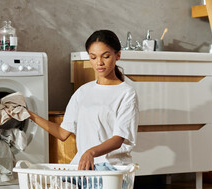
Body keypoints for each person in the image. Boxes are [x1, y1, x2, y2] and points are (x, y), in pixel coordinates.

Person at [29, 30, 139, 170]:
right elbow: (62, 133)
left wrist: (90, 152)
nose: (99, 62)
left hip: (112, 168)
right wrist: (29, 115)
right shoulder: (83, 92)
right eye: (93, 57)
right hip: (83, 167)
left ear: (117, 55)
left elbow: (118, 139)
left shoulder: (126, 93)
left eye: (105, 56)